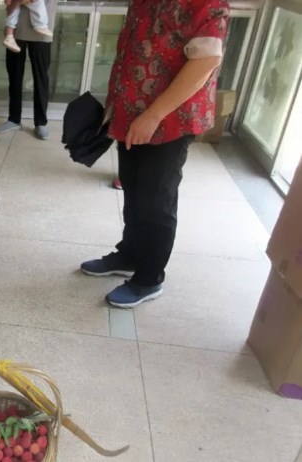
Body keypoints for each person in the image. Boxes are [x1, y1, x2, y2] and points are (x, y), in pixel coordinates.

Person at [80, 0, 230, 308]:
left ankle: (149, 278)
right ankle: (130, 255)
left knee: (156, 201)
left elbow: (206, 61)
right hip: (132, 113)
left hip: (169, 119)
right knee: (133, 188)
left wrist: (153, 115)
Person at [0, 0, 56, 141]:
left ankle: (40, 122)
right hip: (15, 31)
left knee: (41, 78)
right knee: (14, 75)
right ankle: (14, 119)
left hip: (41, 31)